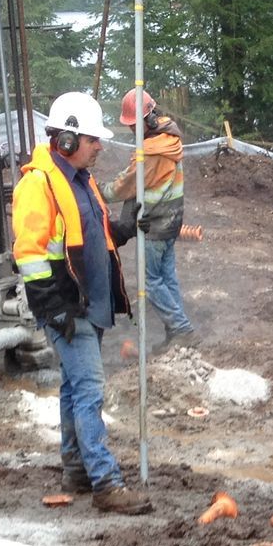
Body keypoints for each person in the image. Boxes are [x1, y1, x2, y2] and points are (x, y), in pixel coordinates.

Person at [11, 90, 152, 513]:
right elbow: (31, 255)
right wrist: (53, 307)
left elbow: (91, 229)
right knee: (90, 389)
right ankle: (107, 483)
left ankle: (76, 469)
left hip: (88, 303)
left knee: (74, 388)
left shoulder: (81, 180)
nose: (99, 147)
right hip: (65, 306)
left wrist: (123, 229)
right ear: (68, 141)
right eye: (93, 140)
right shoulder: (38, 185)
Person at [108, 88, 195, 351]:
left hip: (155, 225)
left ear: (146, 120)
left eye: (133, 125)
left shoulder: (151, 151)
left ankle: (181, 329)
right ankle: (177, 334)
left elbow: (126, 185)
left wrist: (97, 191)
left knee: (150, 281)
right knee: (167, 278)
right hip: (171, 221)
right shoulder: (170, 140)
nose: (132, 130)